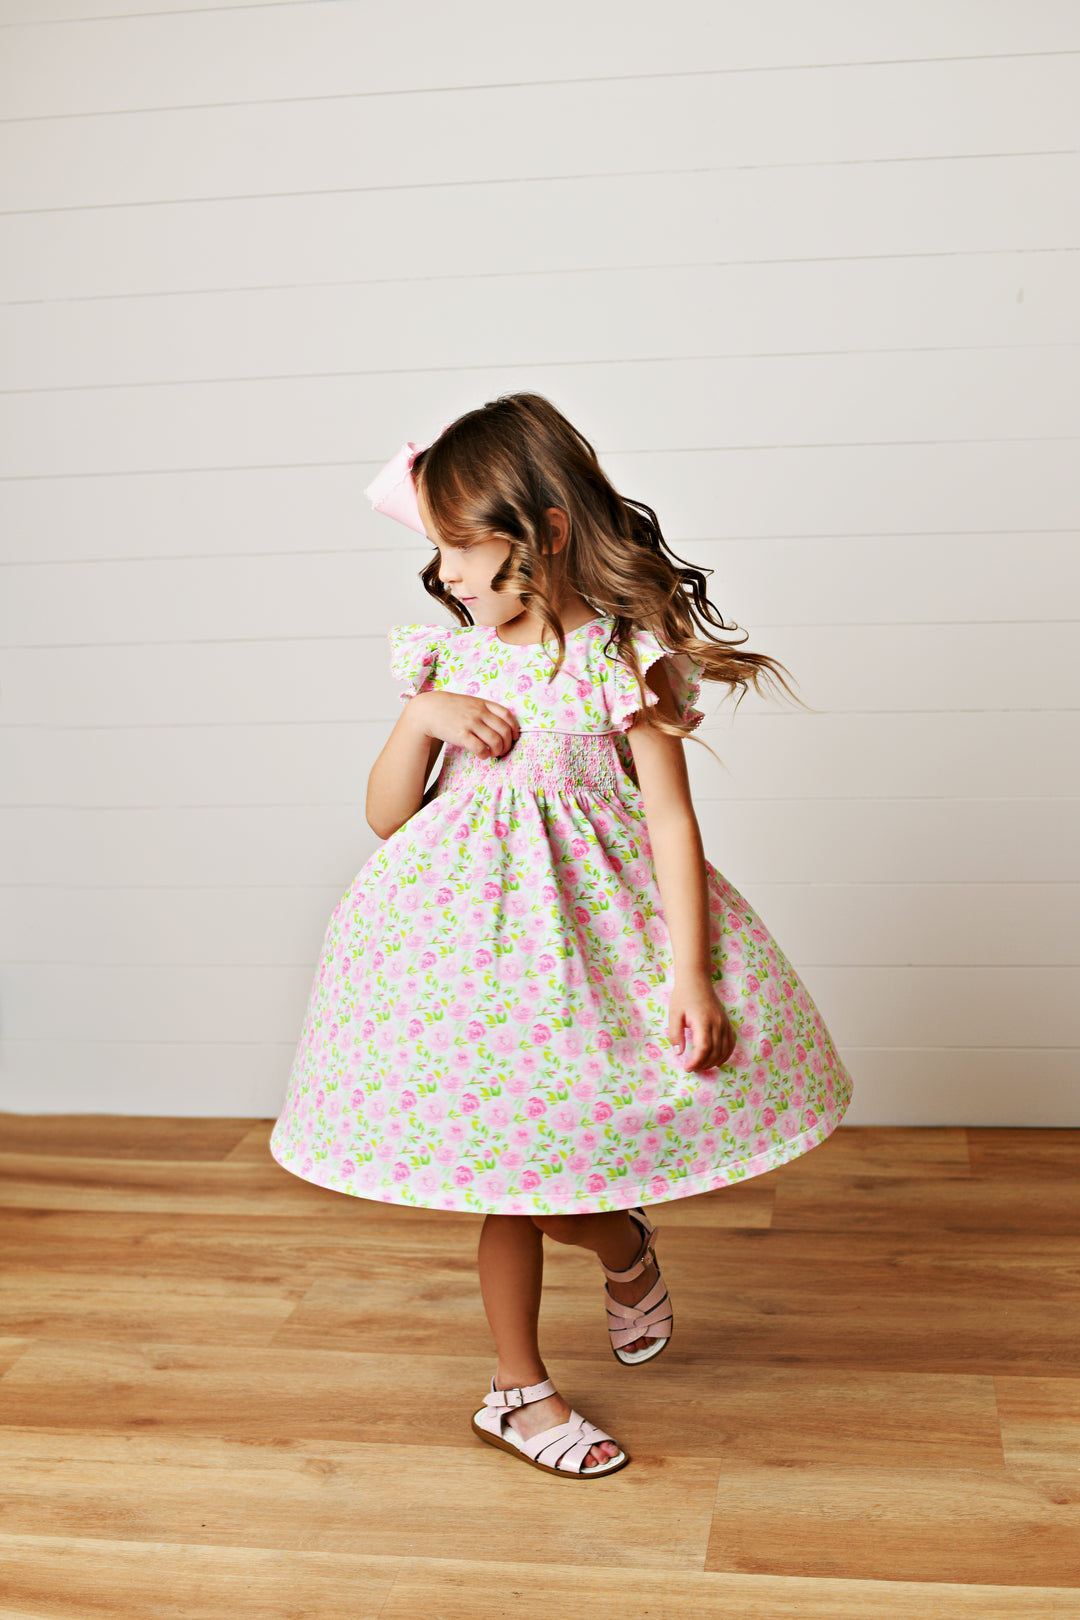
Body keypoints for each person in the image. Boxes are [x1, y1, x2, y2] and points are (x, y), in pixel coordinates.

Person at [270, 392, 854, 1478]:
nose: (441, 571)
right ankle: (517, 1392)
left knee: (560, 1180)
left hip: (587, 950)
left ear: (541, 531)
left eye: (457, 546)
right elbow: (388, 815)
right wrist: (418, 720)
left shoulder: (620, 661)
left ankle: (623, 1245)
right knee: (506, 1178)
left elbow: (672, 818)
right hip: (465, 965)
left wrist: (691, 974)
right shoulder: (446, 662)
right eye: (435, 547)